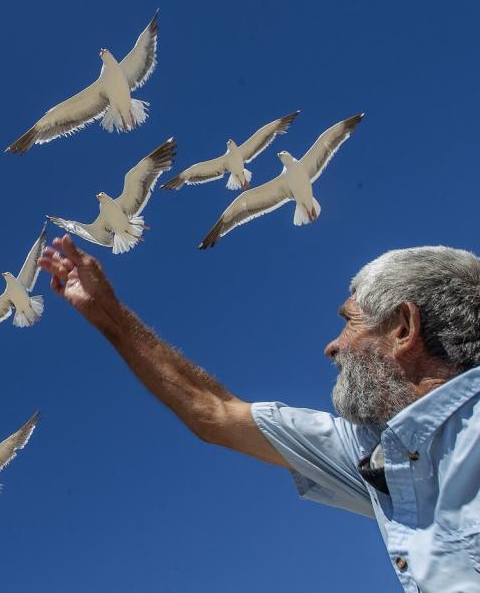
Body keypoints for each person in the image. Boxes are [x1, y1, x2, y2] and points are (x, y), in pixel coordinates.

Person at [39, 235, 480, 592]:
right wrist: (107, 315)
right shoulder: (376, 456)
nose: (333, 347)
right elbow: (214, 412)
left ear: (402, 329)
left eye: (350, 322)